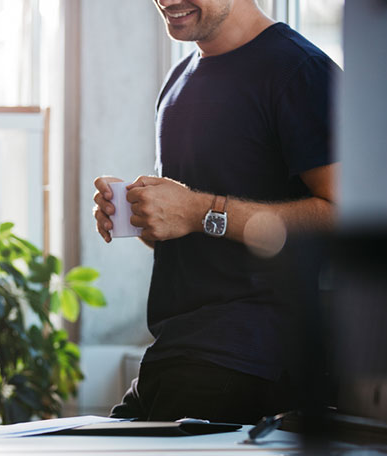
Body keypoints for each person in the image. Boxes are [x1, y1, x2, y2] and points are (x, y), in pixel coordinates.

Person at [93, 0, 341, 424]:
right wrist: (145, 217)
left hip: (253, 358)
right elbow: (194, 228)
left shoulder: (301, 71)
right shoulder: (178, 80)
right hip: (175, 352)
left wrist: (197, 210)